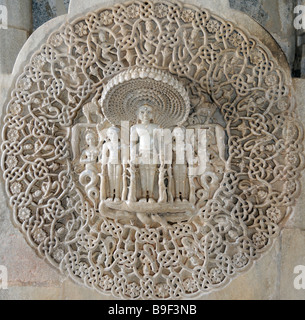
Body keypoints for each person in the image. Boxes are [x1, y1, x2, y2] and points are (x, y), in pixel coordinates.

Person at [130, 104, 160, 203]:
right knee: (142, 174)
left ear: (152, 115)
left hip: (153, 153)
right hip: (142, 153)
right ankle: (143, 194)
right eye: (142, 112)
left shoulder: (156, 127)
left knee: (152, 173)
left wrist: (161, 154)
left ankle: (151, 194)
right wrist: (133, 154)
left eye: (149, 112)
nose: (145, 115)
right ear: (138, 115)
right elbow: (133, 143)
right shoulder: (135, 127)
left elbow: (159, 142)